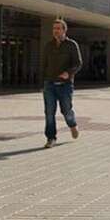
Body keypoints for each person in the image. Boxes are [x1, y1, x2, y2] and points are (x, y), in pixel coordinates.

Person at [41, 18, 82, 148]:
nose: (55, 31)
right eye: (54, 29)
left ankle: (72, 124)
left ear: (64, 30)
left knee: (66, 110)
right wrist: (43, 81)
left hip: (65, 85)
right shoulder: (48, 45)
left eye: (58, 28)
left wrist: (68, 73)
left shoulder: (71, 45)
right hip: (50, 84)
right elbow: (44, 64)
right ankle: (51, 138)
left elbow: (78, 63)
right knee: (49, 112)